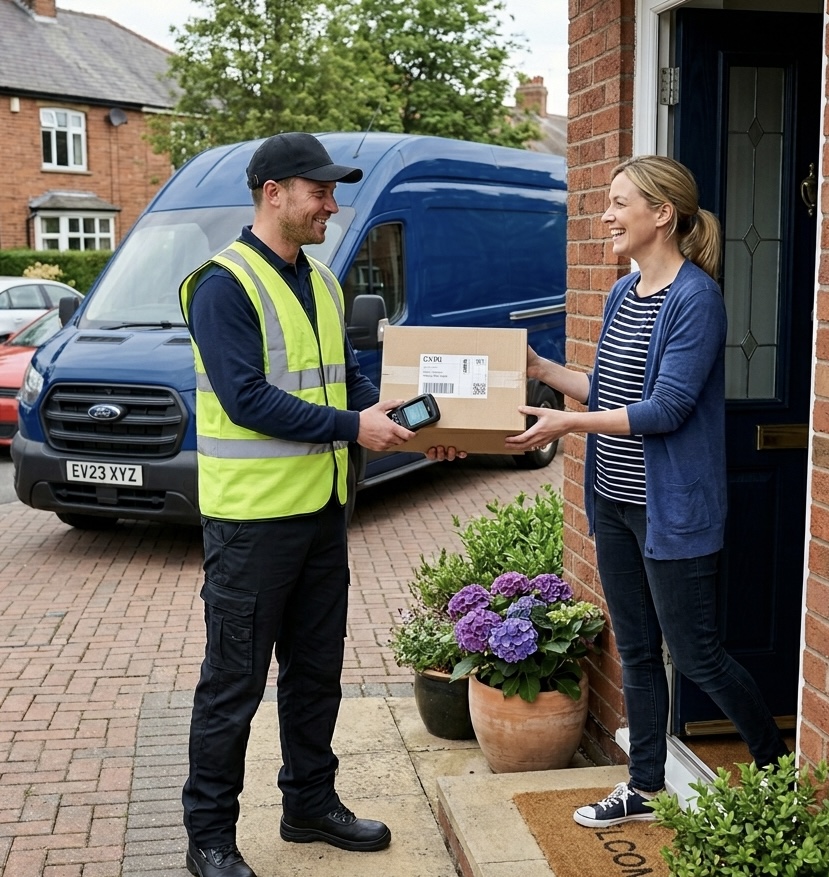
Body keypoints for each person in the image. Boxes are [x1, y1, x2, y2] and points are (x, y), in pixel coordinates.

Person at [179, 132, 464, 877]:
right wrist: (352, 427)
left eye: (332, 193)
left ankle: (309, 802)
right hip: (251, 524)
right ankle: (208, 837)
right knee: (232, 685)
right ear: (273, 193)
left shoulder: (326, 284)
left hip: (323, 514)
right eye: (319, 192)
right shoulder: (222, 285)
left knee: (315, 674)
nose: (331, 206)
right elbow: (245, 399)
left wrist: (407, 427)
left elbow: (348, 383)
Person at [505, 155, 789, 828]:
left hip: (673, 510)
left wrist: (567, 423)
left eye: (618, 202)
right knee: (634, 650)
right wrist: (541, 368)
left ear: (662, 214)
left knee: (696, 655)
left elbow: (666, 409)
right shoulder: (622, 293)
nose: (605, 215)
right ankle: (644, 786)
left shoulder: (695, 299)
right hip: (614, 501)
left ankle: (775, 768)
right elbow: (606, 391)